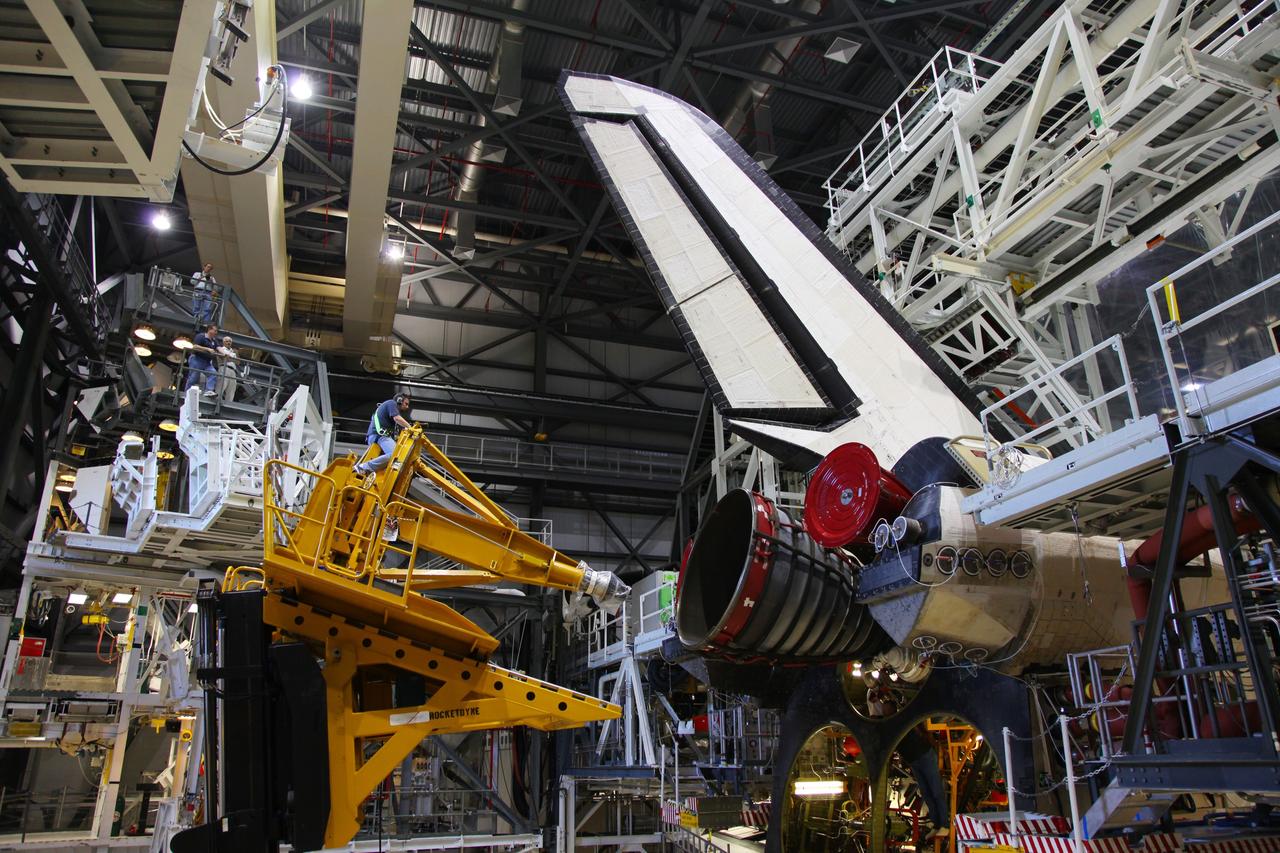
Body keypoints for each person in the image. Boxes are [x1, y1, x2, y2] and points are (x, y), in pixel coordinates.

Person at [352, 394, 413, 476]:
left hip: (376, 436)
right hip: (380, 436)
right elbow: (397, 418)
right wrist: (411, 428)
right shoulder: (391, 403)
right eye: (406, 403)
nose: (407, 407)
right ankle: (364, 467)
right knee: (397, 454)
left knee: (391, 461)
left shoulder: (389, 410)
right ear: (399, 400)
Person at [185, 323, 220, 397]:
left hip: (206, 362)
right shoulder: (201, 336)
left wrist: (226, 354)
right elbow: (194, 346)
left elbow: (219, 348)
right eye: (215, 330)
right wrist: (207, 349)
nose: (216, 333)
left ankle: (209, 390)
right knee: (194, 377)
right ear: (209, 329)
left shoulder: (214, 340)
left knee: (213, 373)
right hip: (197, 359)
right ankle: (187, 392)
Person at [217, 335, 239, 404]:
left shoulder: (233, 351)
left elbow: (238, 362)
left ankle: (228, 403)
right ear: (223, 342)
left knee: (232, 388)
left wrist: (229, 357)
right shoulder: (221, 349)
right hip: (224, 368)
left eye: (230, 341)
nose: (228, 342)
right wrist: (231, 357)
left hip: (233, 370)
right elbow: (225, 358)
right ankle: (217, 401)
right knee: (221, 385)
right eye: (226, 341)